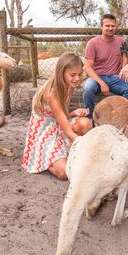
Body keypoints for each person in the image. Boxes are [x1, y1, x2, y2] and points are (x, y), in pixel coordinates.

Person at [22, 52, 92, 180]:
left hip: (58, 124)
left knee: (86, 123)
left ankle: (69, 154)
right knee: (64, 172)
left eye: (80, 74)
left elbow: (62, 114)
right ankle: (43, 158)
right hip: (44, 132)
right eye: (72, 75)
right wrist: (90, 148)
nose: (77, 78)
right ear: (61, 72)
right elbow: (68, 131)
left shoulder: (69, 85)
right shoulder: (51, 93)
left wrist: (74, 113)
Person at [83, 13, 128, 118]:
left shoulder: (121, 41)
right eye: (107, 26)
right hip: (96, 77)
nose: (110, 28)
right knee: (88, 89)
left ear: (116, 27)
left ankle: (121, 117)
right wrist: (101, 83)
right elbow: (87, 67)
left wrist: (124, 71)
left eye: (113, 26)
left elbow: (124, 58)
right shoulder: (93, 43)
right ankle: (90, 120)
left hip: (114, 77)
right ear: (101, 26)